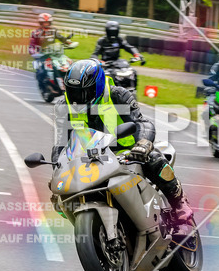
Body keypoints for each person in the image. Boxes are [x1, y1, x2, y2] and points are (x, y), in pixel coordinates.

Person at [53, 59, 194, 232]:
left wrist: (143, 144)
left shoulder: (118, 95)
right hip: (90, 158)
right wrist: (58, 169)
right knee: (62, 197)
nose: (78, 97)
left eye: (84, 92)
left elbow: (143, 123)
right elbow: (61, 143)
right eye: (73, 92)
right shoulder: (63, 106)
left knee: (154, 157)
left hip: (128, 152)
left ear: (98, 85)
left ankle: (178, 200)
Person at [29, 13, 75, 86]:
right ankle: (43, 85)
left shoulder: (53, 30)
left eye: (47, 22)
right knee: (41, 71)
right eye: (44, 23)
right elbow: (32, 45)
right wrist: (34, 52)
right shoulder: (36, 33)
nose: (46, 24)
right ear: (40, 23)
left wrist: (68, 42)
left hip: (54, 53)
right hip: (42, 55)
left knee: (70, 62)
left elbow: (61, 38)